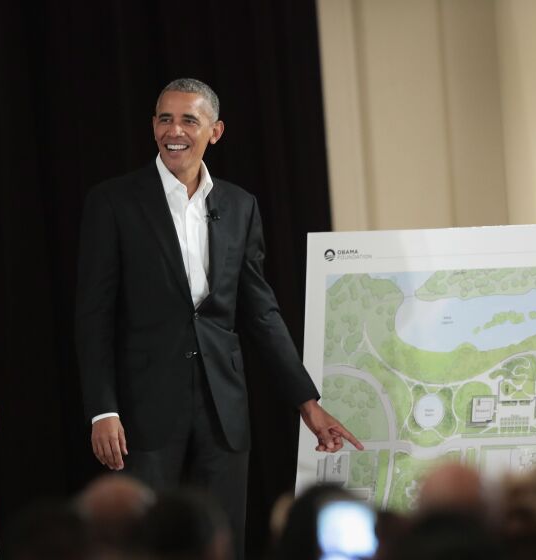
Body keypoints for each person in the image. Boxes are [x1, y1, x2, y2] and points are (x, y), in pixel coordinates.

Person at [75, 78, 362, 560]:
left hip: (223, 406)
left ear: (216, 130)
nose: (175, 130)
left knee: (223, 538)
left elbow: (261, 311)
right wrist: (103, 410)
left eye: (189, 119)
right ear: (152, 126)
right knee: (141, 540)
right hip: (142, 409)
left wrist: (307, 403)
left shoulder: (239, 205)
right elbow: (93, 315)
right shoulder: (113, 202)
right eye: (165, 118)